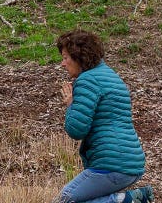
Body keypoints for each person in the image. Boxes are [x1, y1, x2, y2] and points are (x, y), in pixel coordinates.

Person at [54, 30, 154, 203]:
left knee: (66, 200)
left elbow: (77, 129)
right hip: (131, 161)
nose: (62, 64)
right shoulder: (110, 76)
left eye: (65, 57)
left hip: (111, 164)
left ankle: (124, 200)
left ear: (78, 56)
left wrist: (71, 104)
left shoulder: (88, 80)